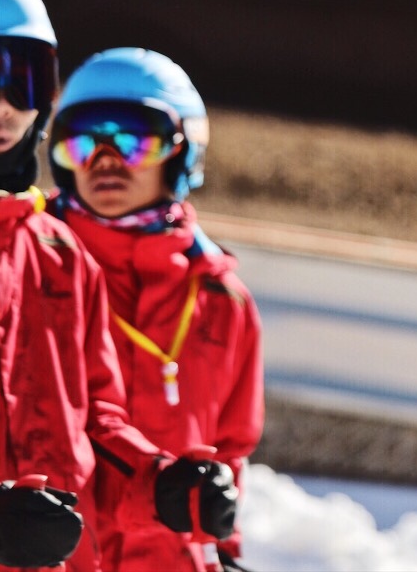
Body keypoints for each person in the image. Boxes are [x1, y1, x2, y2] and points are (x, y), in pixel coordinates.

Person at [0, 0, 237, 572]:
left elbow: (95, 425)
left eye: (25, 77)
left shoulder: (55, 255)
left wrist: (162, 486)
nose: (5, 102)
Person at [46, 47, 262, 572]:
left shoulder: (220, 299)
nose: (106, 161)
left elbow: (229, 452)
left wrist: (223, 548)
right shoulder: (31, 272)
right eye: (84, 141)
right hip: (53, 555)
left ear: (183, 151)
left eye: (134, 138)